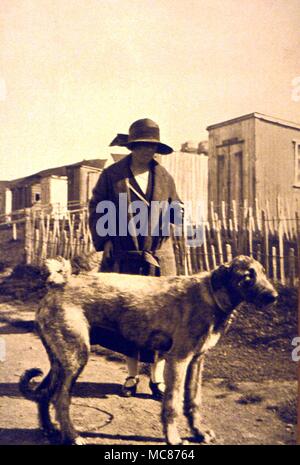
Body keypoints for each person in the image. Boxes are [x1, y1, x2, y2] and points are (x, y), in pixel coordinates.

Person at [88, 118, 182, 400]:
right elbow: (97, 207)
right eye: (141, 146)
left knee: (162, 318)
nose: (146, 151)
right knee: (127, 317)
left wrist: (171, 225)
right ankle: (130, 376)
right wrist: (104, 241)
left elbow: (176, 207)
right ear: (132, 146)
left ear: (157, 148)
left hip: (158, 257)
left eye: (151, 146)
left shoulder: (164, 177)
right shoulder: (113, 175)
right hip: (124, 256)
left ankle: (156, 379)